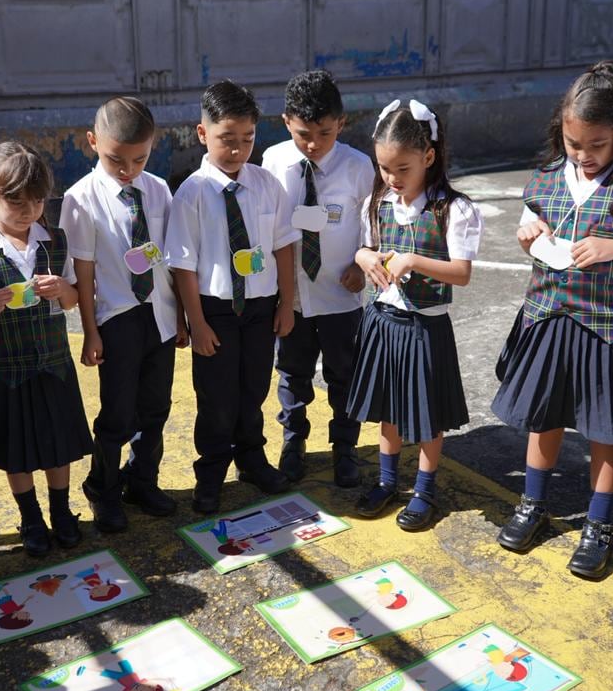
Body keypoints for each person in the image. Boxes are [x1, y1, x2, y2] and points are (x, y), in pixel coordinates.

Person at [490, 61, 613, 578]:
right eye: (574, 143)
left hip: (608, 326)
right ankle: (533, 503)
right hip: (548, 317)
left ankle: (599, 523)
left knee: (606, 429)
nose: (584, 155)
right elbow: (531, 224)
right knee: (543, 417)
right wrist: (527, 235)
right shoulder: (548, 177)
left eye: (597, 144)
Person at [166, 79, 299, 514]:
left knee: (254, 387)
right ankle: (211, 471)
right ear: (202, 134)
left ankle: (252, 459)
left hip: (260, 309)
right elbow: (183, 264)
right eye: (227, 140)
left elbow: (283, 244)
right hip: (216, 312)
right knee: (217, 397)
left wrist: (286, 302)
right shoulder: (192, 193)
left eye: (247, 139)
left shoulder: (266, 185)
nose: (238, 149)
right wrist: (196, 322)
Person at [347, 98, 481, 532]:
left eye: (402, 169)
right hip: (384, 322)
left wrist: (414, 260)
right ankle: (387, 481)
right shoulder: (378, 201)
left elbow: (460, 274)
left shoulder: (452, 209)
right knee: (388, 408)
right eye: (384, 168)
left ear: (428, 157)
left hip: (426, 326)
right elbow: (364, 247)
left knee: (425, 414)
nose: (392, 178)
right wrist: (363, 256)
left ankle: (424, 490)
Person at [0, 141, 90, 555]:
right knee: (17, 452)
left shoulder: (55, 241)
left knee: (56, 445)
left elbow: (73, 300)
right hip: (5, 371)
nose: (29, 209)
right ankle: (31, 517)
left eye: (37, 199)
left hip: (54, 364)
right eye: (17, 201)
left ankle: (62, 512)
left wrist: (66, 289)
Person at [61, 97, 186, 534]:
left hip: (160, 315)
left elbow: (170, 259)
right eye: (116, 158)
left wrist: (182, 319)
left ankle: (142, 480)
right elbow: (83, 269)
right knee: (117, 414)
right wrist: (90, 333)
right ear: (92, 142)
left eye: (140, 158)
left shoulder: (158, 189)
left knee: (155, 408)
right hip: (116, 319)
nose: (127, 169)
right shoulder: (80, 199)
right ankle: (104, 488)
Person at [261, 70, 374, 487]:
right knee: (292, 373)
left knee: (344, 375)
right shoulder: (273, 161)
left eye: (324, 133)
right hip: (291, 296)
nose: (312, 143)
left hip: (340, 296)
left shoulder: (359, 168)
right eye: (303, 133)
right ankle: (294, 442)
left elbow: (373, 225)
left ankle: (344, 447)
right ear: (287, 120)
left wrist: (362, 266)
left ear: (341, 124)